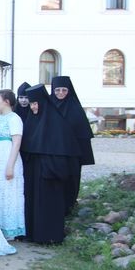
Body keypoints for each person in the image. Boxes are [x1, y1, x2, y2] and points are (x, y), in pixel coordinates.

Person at [21, 84, 81, 244]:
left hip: (50, 174)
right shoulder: (31, 121)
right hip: (33, 172)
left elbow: (64, 150)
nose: (33, 107)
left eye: (36, 103)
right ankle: (32, 234)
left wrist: (49, 164)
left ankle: (50, 237)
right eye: (31, 104)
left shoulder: (57, 123)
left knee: (49, 205)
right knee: (32, 203)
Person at [50, 76, 95, 214]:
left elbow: (82, 134)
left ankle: (70, 206)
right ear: (53, 90)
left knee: (72, 179)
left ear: (69, 91)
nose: (61, 93)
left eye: (64, 90)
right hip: (53, 153)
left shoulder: (75, 108)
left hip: (72, 154)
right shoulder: (48, 107)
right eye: (57, 90)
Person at [0, 89, 26, 240]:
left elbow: (16, 142)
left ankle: (10, 228)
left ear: (6, 101)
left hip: (8, 158)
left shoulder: (14, 119)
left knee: (9, 192)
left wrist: (10, 165)